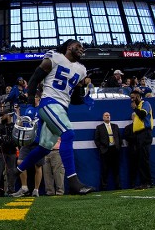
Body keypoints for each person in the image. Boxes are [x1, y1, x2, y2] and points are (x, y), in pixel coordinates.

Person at [15, 39, 95, 195]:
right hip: (49, 103)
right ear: (69, 46)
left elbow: (75, 98)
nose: (81, 48)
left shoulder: (81, 70)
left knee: (44, 148)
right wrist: (31, 103)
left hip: (61, 108)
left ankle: (16, 170)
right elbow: (35, 79)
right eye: (78, 46)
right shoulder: (55, 57)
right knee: (69, 133)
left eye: (82, 47)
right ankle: (73, 182)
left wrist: (85, 97)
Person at [12, 94, 44, 197]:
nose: (33, 98)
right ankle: (24, 187)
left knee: (38, 166)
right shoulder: (28, 109)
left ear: (39, 98)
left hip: (38, 141)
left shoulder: (43, 109)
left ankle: (36, 190)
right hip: (26, 141)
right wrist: (18, 118)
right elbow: (22, 122)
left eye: (35, 96)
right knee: (20, 162)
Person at [130, 90, 154, 189]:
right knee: (140, 159)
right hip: (139, 135)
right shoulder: (137, 108)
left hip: (145, 133)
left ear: (138, 96)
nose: (131, 99)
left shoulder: (146, 104)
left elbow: (143, 115)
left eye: (133, 97)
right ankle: (144, 182)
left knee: (144, 159)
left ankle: (148, 182)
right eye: (131, 97)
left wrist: (135, 109)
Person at [0, 111, 17, 197]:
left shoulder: (14, 126)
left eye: (4, 115)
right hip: (0, 152)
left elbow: (16, 138)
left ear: (9, 116)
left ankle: (11, 190)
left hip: (11, 152)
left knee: (12, 171)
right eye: (1, 115)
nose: (2, 117)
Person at [94, 112, 122, 190]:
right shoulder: (99, 127)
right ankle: (103, 187)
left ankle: (118, 186)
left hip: (115, 150)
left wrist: (118, 147)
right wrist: (101, 148)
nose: (107, 116)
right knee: (104, 169)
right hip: (105, 151)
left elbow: (119, 138)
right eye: (106, 115)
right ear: (103, 118)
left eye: (109, 115)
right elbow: (96, 139)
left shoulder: (115, 126)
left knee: (116, 169)